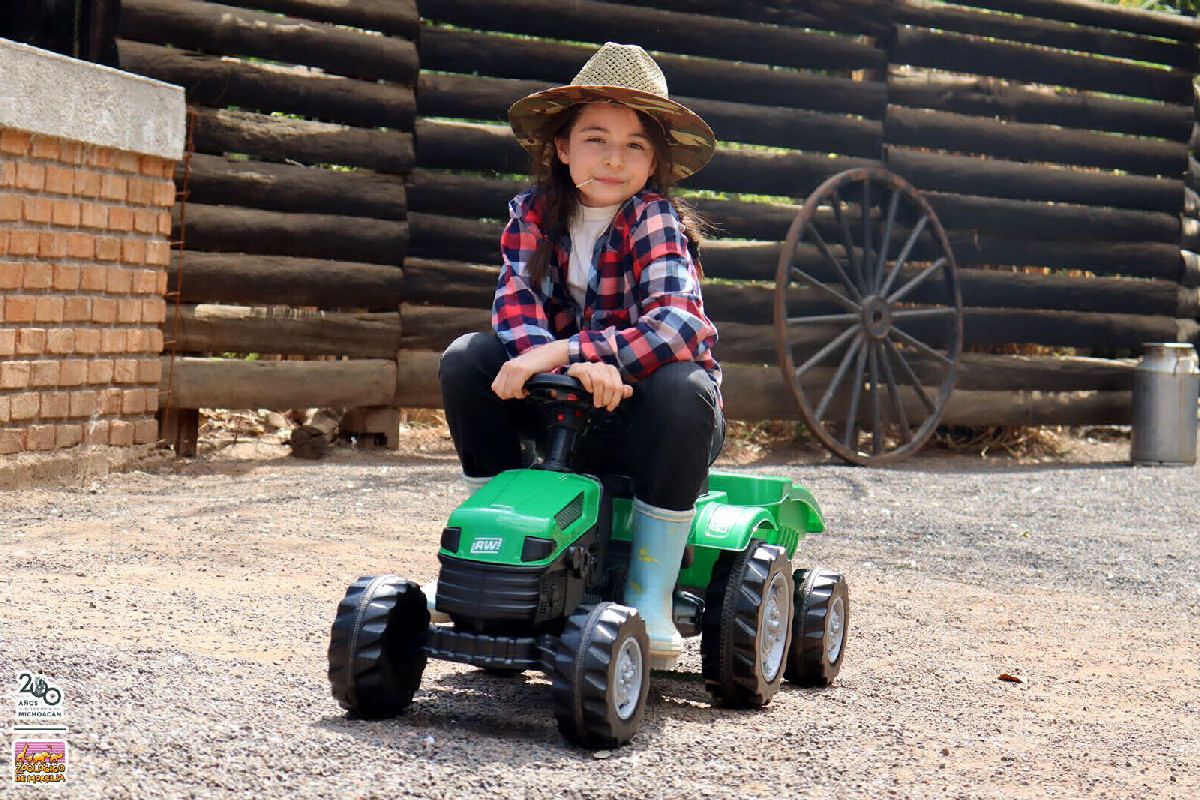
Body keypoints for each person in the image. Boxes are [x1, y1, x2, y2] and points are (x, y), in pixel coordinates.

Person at [436, 42, 724, 669]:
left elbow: (680, 325)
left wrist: (582, 353)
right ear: (563, 147)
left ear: (655, 160)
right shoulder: (532, 214)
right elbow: (515, 309)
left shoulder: (655, 221)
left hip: (645, 419)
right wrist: (566, 369)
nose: (614, 159)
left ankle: (650, 594)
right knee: (467, 359)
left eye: (636, 145)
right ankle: (492, 550)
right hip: (562, 411)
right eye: (596, 139)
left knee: (684, 385)